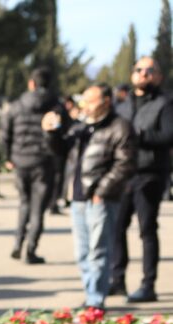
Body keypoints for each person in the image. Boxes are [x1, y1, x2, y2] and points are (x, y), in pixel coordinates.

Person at [46, 84, 135, 309]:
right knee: (82, 252)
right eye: (83, 100)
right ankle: (91, 296)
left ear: (106, 101)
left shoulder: (120, 126)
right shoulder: (82, 126)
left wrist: (102, 191)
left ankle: (95, 301)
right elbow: (61, 150)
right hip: (78, 197)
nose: (85, 105)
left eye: (91, 101)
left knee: (99, 251)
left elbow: (125, 164)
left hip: (101, 198)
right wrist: (51, 132)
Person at [110, 55, 173, 303]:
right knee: (117, 227)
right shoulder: (122, 106)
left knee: (147, 229)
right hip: (124, 174)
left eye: (149, 70)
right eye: (139, 69)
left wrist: (139, 135)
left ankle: (148, 285)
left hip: (150, 173)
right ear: (132, 74)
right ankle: (117, 280)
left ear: (158, 76)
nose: (143, 74)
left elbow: (168, 136)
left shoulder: (165, 103)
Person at [2, 67, 62, 264]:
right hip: (43, 163)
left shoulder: (16, 106)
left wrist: (8, 157)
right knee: (38, 209)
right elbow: (61, 135)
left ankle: (17, 244)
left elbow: (5, 134)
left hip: (21, 161)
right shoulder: (55, 106)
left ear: (31, 83)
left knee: (24, 204)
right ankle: (30, 249)